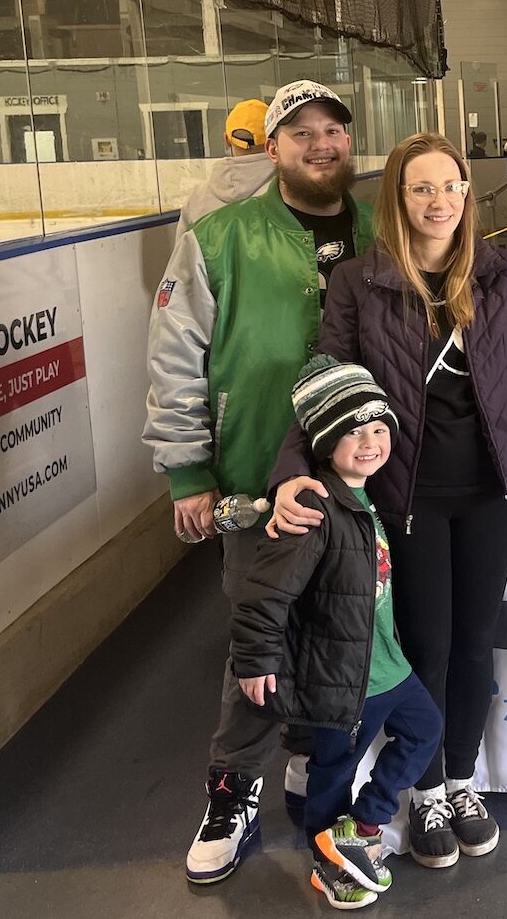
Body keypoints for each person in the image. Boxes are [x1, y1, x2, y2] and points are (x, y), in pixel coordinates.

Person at [267, 132, 507, 869]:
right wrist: (288, 473)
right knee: (424, 646)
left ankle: (462, 779)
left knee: (473, 646)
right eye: (422, 188)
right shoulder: (360, 284)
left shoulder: (501, 276)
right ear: (397, 199)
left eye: (452, 185)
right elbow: (325, 389)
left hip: (491, 491)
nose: (440, 201)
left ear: (469, 194)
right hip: (409, 496)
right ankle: (422, 788)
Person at [144, 78, 373, 884]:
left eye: (334, 131)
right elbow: (176, 353)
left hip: (358, 488)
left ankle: (313, 754)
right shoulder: (222, 235)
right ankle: (233, 787)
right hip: (251, 477)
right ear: (269, 147)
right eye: (301, 132)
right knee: (260, 641)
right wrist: (187, 470)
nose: (320, 144)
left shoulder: (381, 229)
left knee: (343, 628)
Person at [229, 356, 442, 910]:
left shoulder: (367, 498)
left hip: (389, 669)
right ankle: (328, 863)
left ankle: (362, 826)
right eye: (352, 432)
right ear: (324, 441)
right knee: (332, 774)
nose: (370, 443)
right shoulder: (312, 508)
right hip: (342, 682)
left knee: (425, 730)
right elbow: (264, 592)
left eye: (378, 429)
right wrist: (255, 661)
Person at [174, 99, 275, 233]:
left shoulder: (197, 198)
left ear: (226, 140)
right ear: (273, 141)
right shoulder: (291, 190)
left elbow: (184, 251)